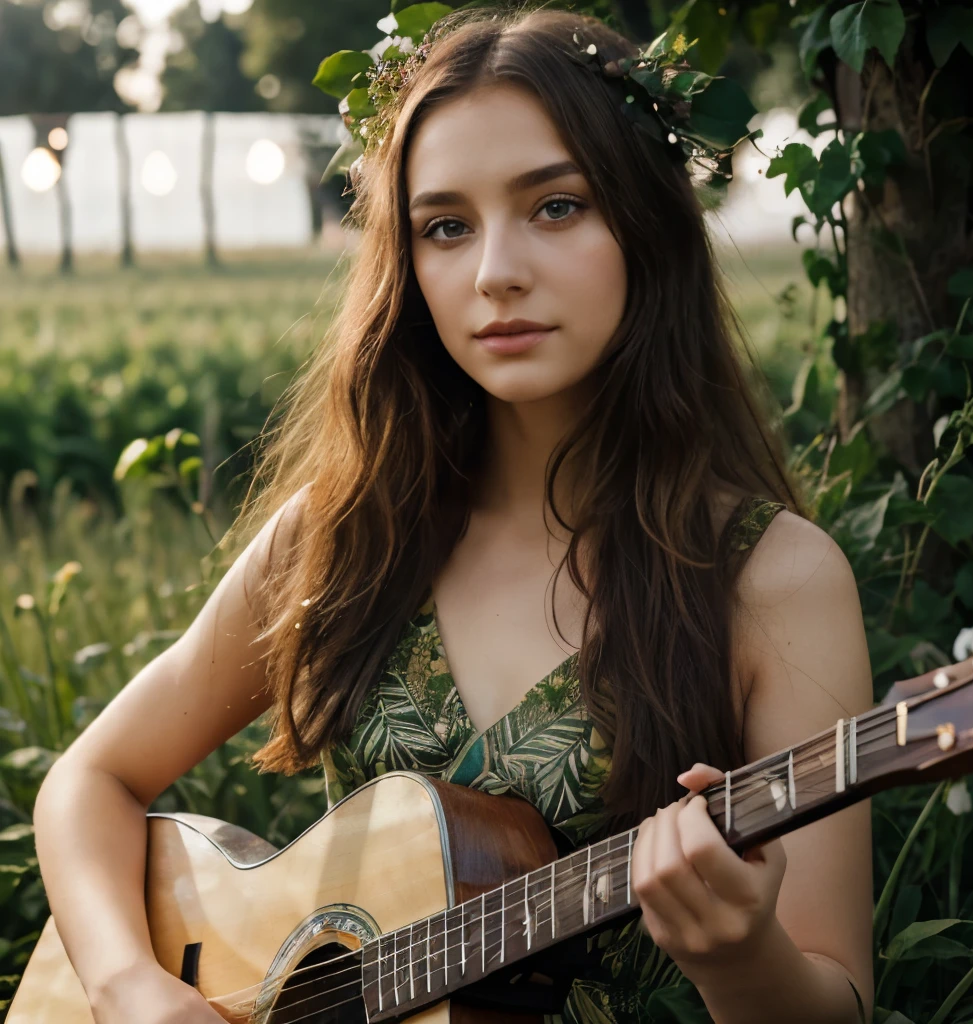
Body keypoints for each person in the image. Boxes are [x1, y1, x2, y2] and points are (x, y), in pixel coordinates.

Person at [31, 4, 874, 1022]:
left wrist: (738, 955)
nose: (494, 272)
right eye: (445, 227)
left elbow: (836, 997)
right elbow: (92, 781)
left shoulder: (772, 578)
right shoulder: (344, 536)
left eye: (555, 206)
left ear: (645, 224)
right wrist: (131, 986)